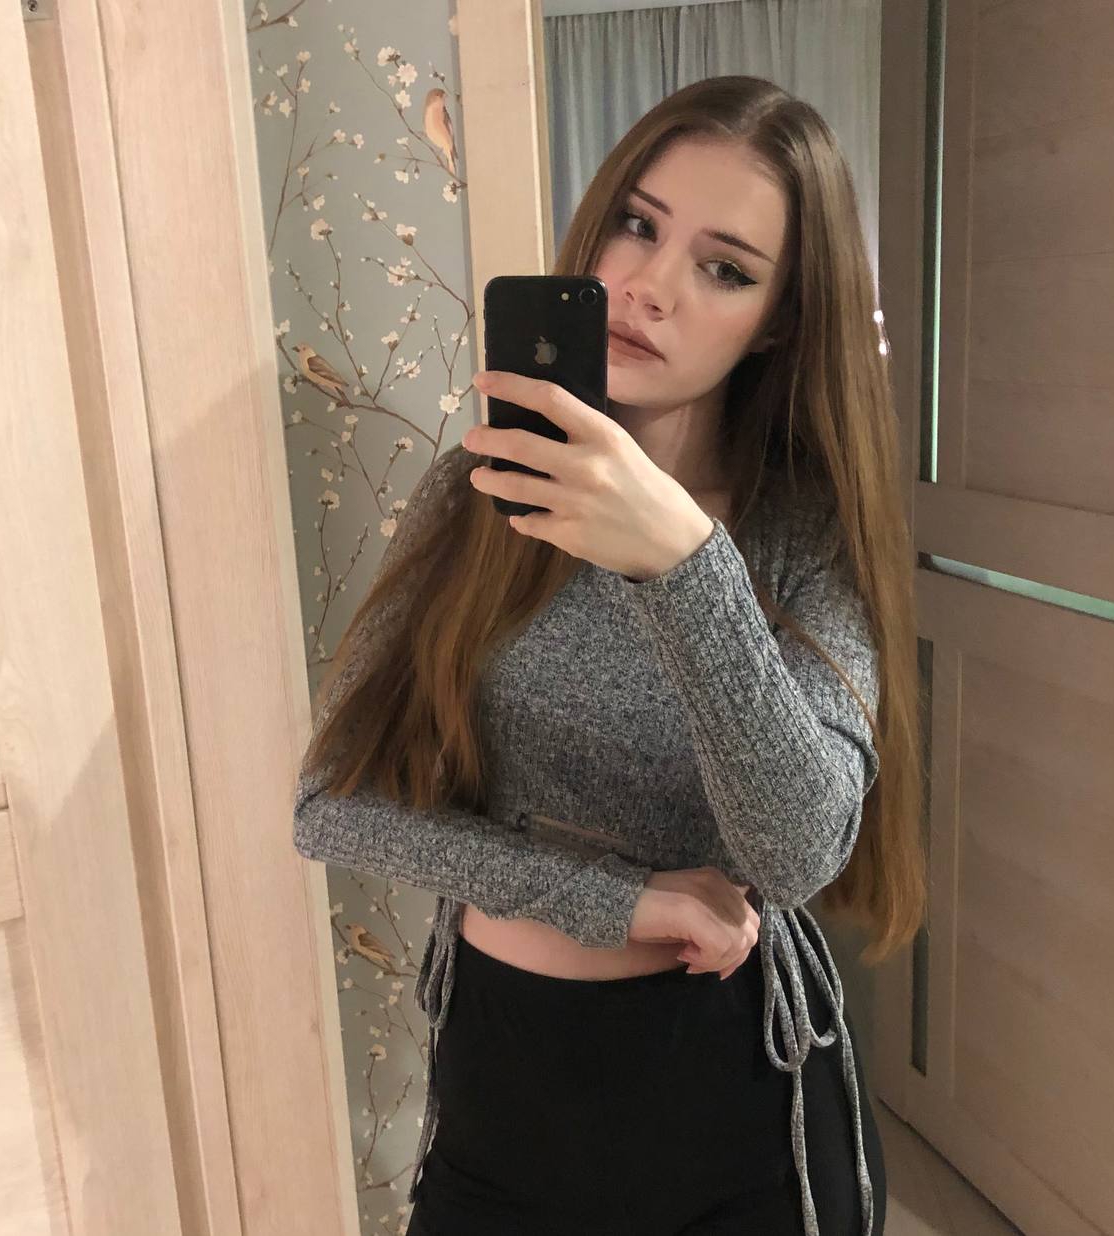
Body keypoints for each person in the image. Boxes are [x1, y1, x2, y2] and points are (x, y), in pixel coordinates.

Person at [293, 75, 926, 1236]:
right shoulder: (480, 491)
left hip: (736, 1098)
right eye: (637, 224)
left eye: (722, 268)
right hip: (501, 1078)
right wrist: (617, 899)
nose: (649, 285)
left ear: (776, 321)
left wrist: (685, 565)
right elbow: (330, 806)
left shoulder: (801, 538)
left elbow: (794, 853)